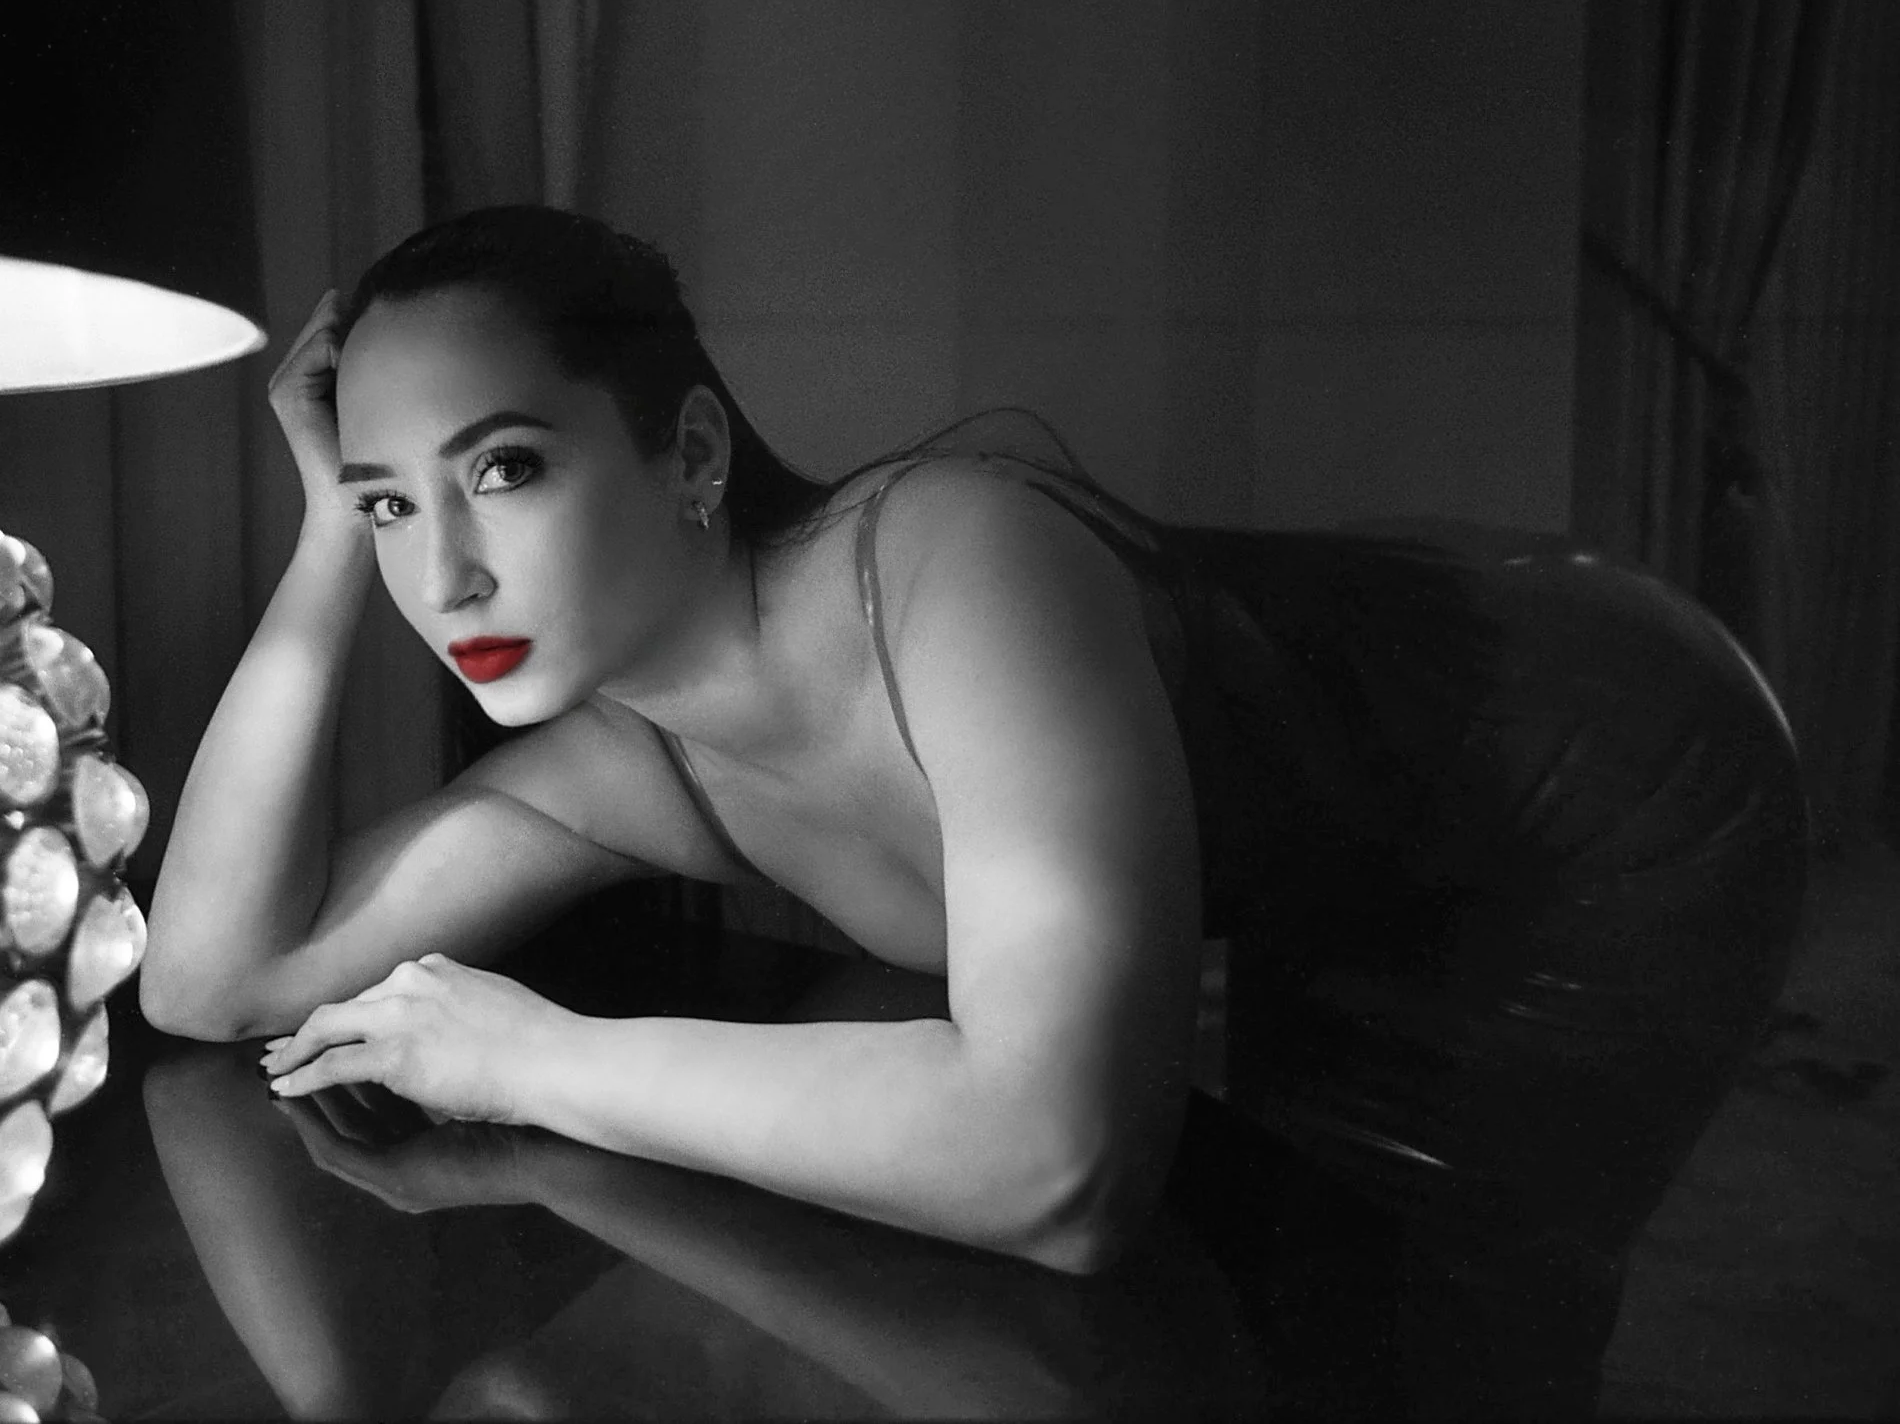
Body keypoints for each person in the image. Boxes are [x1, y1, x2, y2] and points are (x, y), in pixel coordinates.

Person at [141, 205, 1807, 1417]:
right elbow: (214, 981)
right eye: (387, 504)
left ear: (691, 451)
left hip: (1575, 770)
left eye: (505, 468)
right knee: (1286, 1317)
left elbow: (1055, 1161)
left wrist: (527, 1057)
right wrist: (313, 548)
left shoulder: (954, 559)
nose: (442, 573)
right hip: (1323, 844)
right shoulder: (623, 764)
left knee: (1454, 1343)